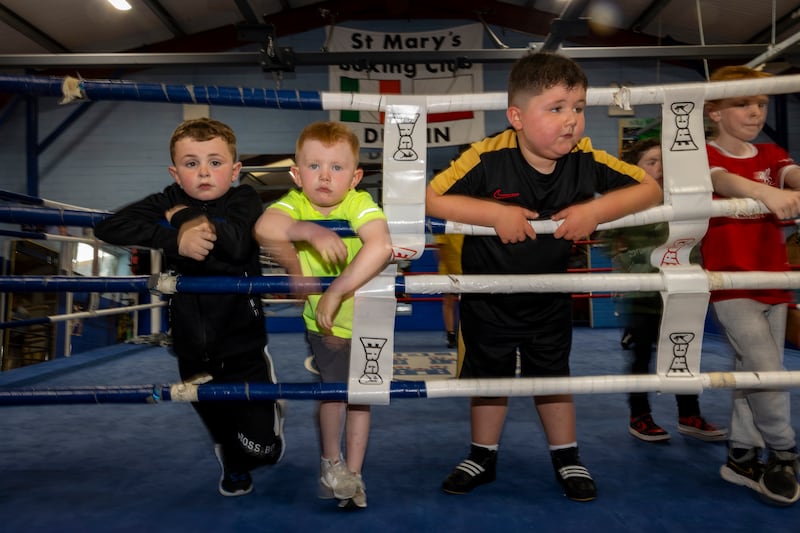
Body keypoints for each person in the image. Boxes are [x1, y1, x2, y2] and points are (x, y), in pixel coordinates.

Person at [425, 51, 662, 502]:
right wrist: (495, 214)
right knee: (488, 382)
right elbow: (430, 198)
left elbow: (649, 188)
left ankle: (567, 454)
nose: (571, 120)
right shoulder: (486, 156)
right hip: (487, 298)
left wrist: (596, 209)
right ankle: (482, 454)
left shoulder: (586, 157)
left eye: (577, 107)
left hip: (550, 296)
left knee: (553, 378)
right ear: (516, 116)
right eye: (555, 108)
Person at [94, 117, 285, 497]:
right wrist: (172, 240)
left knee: (262, 450)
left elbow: (231, 243)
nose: (203, 173)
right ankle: (230, 460)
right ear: (175, 172)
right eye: (191, 163)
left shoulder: (244, 198)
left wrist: (180, 218)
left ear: (235, 170)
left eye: (215, 162)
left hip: (243, 344)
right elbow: (109, 226)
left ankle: (261, 432)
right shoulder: (166, 197)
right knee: (217, 422)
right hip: (190, 345)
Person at [253, 121, 393, 510]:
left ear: (355, 176)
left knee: (362, 399)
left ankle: (356, 474)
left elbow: (380, 245)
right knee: (333, 394)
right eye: (314, 167)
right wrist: (309, 231)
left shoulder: (358, 202)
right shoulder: (295, 203)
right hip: (327, 326)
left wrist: (335, 291)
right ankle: (332, 462)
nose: (325, 177)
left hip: (368, 318)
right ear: (297, 174)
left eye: (337, 167)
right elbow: (265, 226)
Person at [703, 65, 800, 505]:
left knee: (754, 372)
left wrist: (787, 187)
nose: (756, 111)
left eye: (761, 103)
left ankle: (742, 456)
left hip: (773, 277)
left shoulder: (771, 153)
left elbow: (791, 175)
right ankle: (785, 452)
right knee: (767, 368)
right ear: (714, 112)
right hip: (731, 279)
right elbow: (723, 180)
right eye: (743, 102)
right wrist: (766, 195)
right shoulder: (702, 154)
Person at [604, 138, 727, 442]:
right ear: (636, 167)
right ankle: (640, 416)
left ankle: (689, 414)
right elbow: (610, 243)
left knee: (684, 354)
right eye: (651, 162)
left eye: (663, 161)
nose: (659, 168)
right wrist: (641, 264)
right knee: (641, 358)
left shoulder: (683, 197)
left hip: (683, 291)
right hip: (646, 294)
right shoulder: (625, 198)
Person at [435, 233, 464, 348]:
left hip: (466, 268)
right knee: (448, 302)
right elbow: (440, 248)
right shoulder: (445, 225)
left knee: (468, 303)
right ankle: (451, 335)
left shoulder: (468, 222)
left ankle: (463, 334)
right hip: (449, 271)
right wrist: (450, 267)